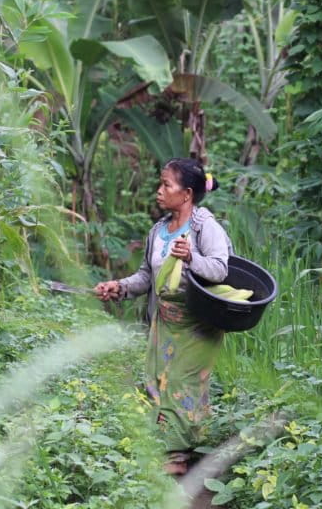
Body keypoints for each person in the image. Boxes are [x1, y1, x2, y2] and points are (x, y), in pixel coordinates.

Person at [94, 158, 231, 475]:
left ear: (185, 194)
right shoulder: (158, 231)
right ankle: (183, 444)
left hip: (197, 323)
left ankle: (176, 456)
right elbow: (146, 277)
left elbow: (220, 269)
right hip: (164, 321)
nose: (159, 191)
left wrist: (192, 258)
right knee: (158, 382)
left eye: (166, 185)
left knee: (180, 382)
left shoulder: (205, 228)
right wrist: (119, 287)